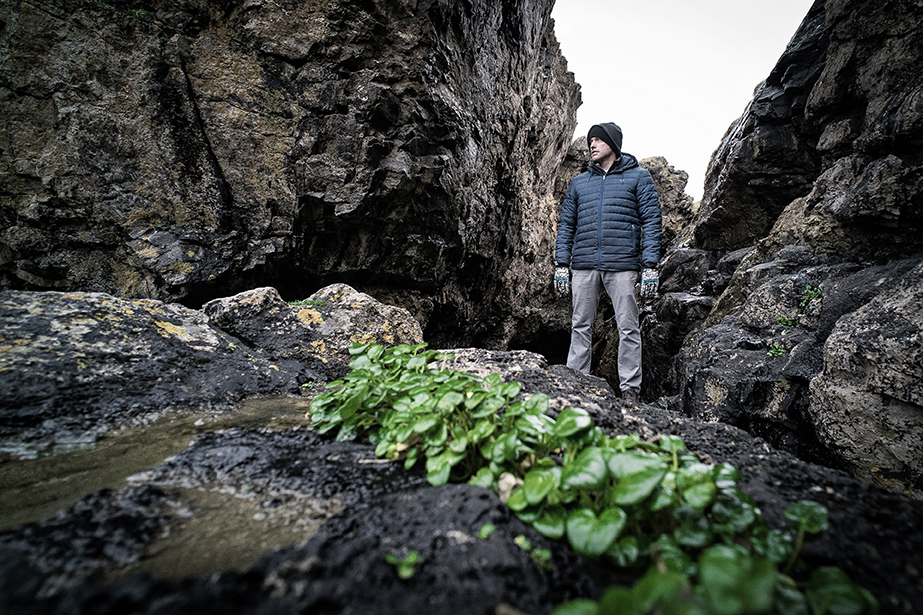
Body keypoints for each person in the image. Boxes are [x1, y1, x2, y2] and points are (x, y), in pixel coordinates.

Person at [553, 122, 662, 407]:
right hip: (584, 264)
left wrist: (650, 267)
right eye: (590, 140)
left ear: (613, 144)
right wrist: (561, 264)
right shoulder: (579, 183)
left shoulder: (639, 178)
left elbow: (652, 222)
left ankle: (630, 389)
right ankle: (575, 381)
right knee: (580, 325)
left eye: (598, 140)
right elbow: (566, 226)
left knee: (628, 327)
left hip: (623, 265)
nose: (592, 144)